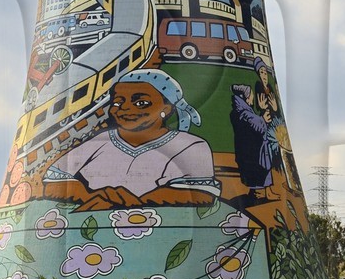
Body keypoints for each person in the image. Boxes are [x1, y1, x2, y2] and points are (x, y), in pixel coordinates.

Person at [43, 70, 220, 210]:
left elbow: (200, 194)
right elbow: (54, 180)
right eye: (118, 102)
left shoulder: (191, 146)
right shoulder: (100, 141)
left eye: (141, 103)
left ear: (166, 108)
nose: (125, 109)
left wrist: (131, 204)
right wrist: (92, 197)